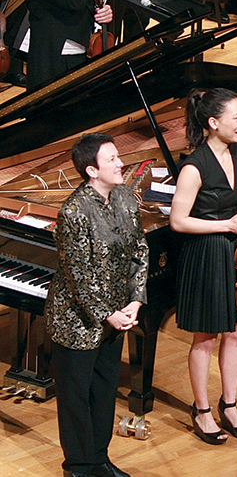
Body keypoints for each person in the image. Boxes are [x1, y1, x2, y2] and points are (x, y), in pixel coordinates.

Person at [45, 133, 147, 477]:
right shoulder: (73, 212)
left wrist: (135, 299)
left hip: (117, 315)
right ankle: (78, 466)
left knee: (104, 392)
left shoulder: (125, 198)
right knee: (75, 398)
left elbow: (140, 251)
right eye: (113, 159)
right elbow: (77, 274)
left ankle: (100, 459)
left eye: (119, 156)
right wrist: (108, 314)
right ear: (92, 170)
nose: (121, 164)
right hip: (77, 321)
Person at [169, 89, 237, 444]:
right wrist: (226, 225)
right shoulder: (194, 166)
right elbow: (179, 221)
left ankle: (230, 404)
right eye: (236, 117)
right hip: (207, 251)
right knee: (206, 337)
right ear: (213, 123)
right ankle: (203, 409)